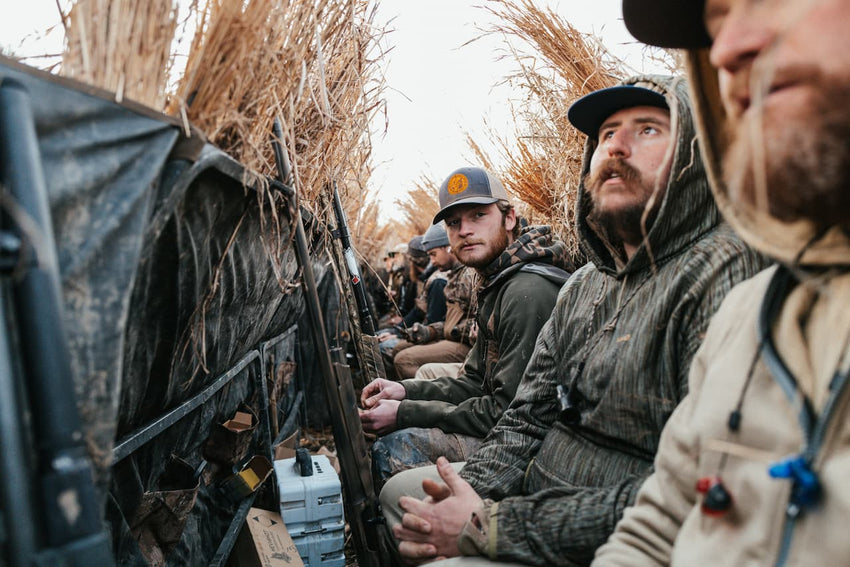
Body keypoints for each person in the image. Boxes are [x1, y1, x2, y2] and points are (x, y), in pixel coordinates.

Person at [382, 75, 768, 566]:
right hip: (532, 492)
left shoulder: (724, 274)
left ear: (697, 154)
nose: (617, 147)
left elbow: (699, 491)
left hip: (611, 534)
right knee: (411, 504)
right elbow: (526, 414)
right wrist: (467, 493)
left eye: (647, 130)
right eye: (606, 135)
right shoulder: (585, 283)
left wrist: (489, 526)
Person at [593, 2, 850, 565]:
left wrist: (488, 525)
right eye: (714, 21)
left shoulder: (722, 274)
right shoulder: (753, 311)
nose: (727, 49)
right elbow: (656, 527)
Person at [359, 166, 571, 488]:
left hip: (535, 449)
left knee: (394, 449)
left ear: (509, 218)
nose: (465, 230)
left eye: (478, 216)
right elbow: (475, 381)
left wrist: (404, 413)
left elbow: (507, 413)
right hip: (505, 426)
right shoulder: (497, 279)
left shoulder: (526, 292)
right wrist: (404, 391)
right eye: (454, 223)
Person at [393, 222, 478, 380]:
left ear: (448, 247)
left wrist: (451, 331)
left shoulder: (469, 276)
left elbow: (478, 325)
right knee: (398, 348)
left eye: (433, 254)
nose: (431, 261)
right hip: (453, 339)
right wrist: (429, 331)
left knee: (404, 360)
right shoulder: (454, 275)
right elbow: (451, 321)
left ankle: (429, 397)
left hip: (467, 346)